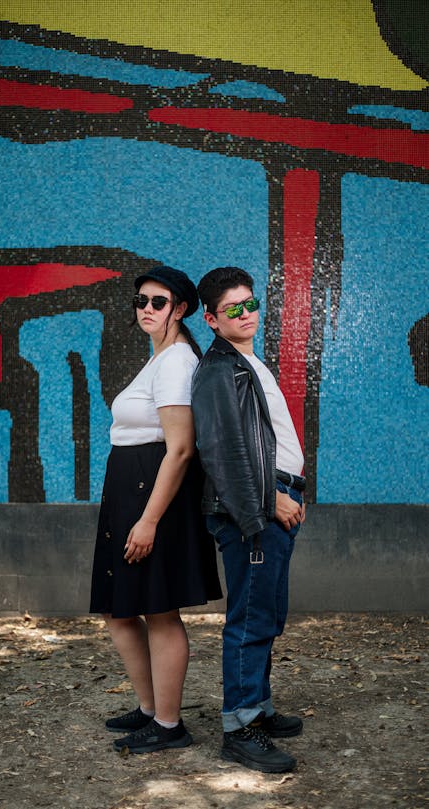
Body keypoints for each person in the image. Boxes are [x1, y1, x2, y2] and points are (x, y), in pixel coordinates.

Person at [90, 264, 222, 755]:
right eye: (141, 300)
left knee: (159, 612)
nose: (147, 309)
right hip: (132, 489)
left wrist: (148, 519)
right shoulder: (161, 357)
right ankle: (150, 710)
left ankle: (169, 724)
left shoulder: (175, 362)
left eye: (158, 302)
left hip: (153, 495)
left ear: (180, 308)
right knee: (119, 608)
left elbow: (181, 448)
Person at [191, 266, 306, 773]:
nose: (247, 313)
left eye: (251, 302)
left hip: (271, 502)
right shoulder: (219, 369)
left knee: (267, 613)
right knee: (250, 619)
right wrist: (266, 503)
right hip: (252, 512)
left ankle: (257, 707)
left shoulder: (246, 362)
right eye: (233, 308)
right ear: (212, 320)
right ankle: (238, 729)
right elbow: (222, 451)